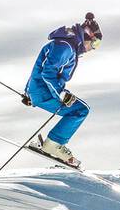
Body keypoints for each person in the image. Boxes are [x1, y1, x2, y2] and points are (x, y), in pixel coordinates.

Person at [22, 13, 102, 167]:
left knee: (78, 109)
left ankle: (53, 143)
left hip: (39, 90)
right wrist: (61, 94)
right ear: (87, 35)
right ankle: (54, 144)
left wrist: (28, 92)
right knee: (80, 110)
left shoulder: (65, 45)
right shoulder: (66, 47)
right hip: (44, 91)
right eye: (95, 43)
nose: (93, 48)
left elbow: (40, 67)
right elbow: (47, 73)